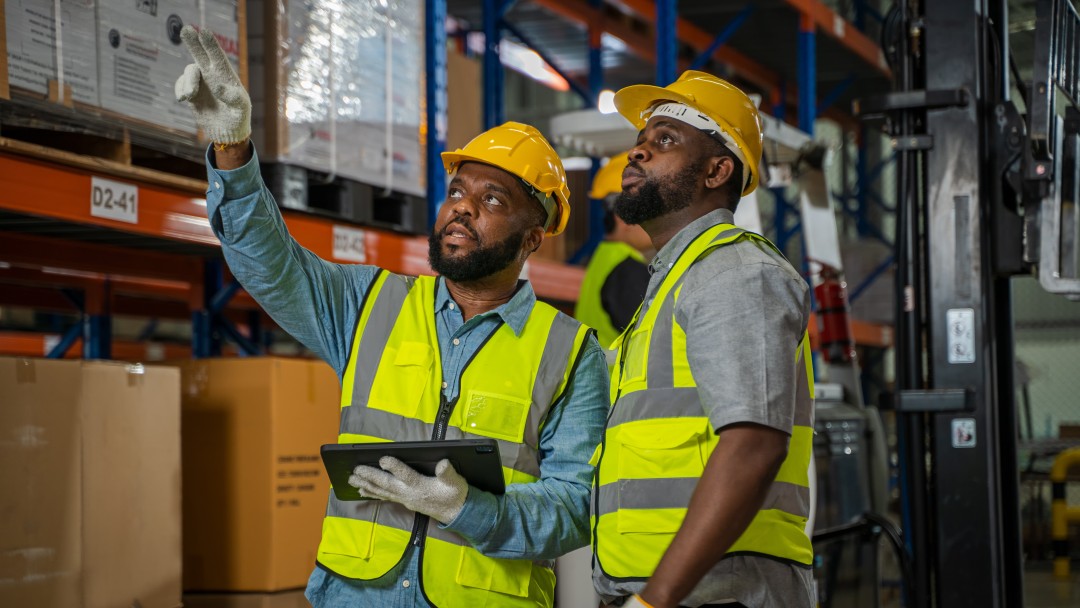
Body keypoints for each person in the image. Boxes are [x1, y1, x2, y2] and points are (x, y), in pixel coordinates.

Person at [175, 26, 608, 608]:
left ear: (533, 238)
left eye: (493, 200)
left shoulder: (572, 354)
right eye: (457, 191)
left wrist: (466, 509)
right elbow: (267, 263)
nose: (463, 208)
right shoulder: (370, 304)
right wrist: (232, 149)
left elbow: (576, 507)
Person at [591, 70, 816, 608]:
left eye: (664, 140)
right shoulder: (671, 283)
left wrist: (655, 600)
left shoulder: (733, 272)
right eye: (641, 141)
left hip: (718, 593)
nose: (637, 153)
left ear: (718, 170)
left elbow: (754, 443)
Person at [574, 154, 653, 353]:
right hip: (621, 383)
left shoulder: (604, 258)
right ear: (623, 217)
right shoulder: (627, 271)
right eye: (649, 210)